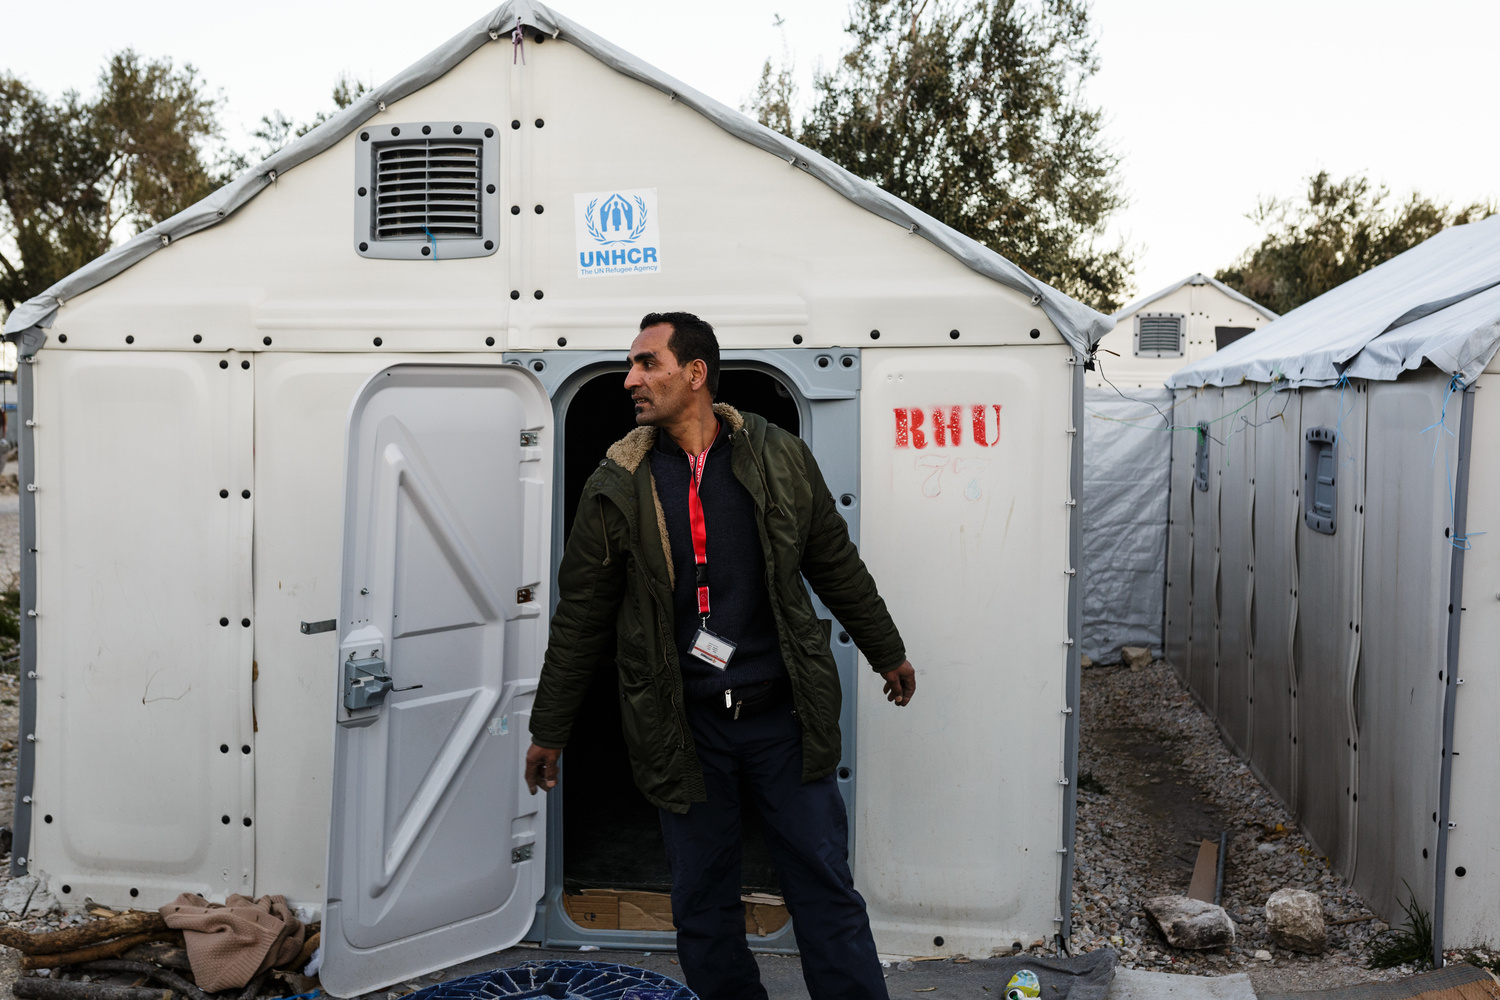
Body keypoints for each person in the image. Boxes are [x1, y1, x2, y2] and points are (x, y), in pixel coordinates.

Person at [526, 311, 915, 1000]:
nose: (630, 379)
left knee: (823, 887)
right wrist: (550, 728)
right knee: (703, 903)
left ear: (696, 374)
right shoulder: (616, 483)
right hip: (684, 727)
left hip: (782, 717)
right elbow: (581, 615)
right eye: (633, 365)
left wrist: (887, 651)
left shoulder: (778, 457)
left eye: (648, 363)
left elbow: (833, 561)